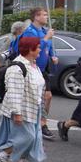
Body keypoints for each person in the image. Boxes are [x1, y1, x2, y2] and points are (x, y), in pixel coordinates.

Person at [0, 36, 46, 162]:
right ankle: (1, 155)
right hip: (22, 109)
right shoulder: (17, 67)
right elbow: (14, 91)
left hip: (34, 108)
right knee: (27, 138)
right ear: (30, 49)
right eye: (38, 47)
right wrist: (17, 113)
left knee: (31, 138)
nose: (40, 49)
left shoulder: (33, 65)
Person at [20, 7, 57, 140]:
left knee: (47, 97)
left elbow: (50, 46)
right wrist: (46, 38)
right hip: (32, 68)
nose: (47, 17)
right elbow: (31, 48)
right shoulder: (30, 31)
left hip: (43, 69)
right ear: (36, 16)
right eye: (44, 15)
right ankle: (31, 124)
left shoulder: (44, 30)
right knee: (33, 99)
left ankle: (42, 123)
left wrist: (53, 55)